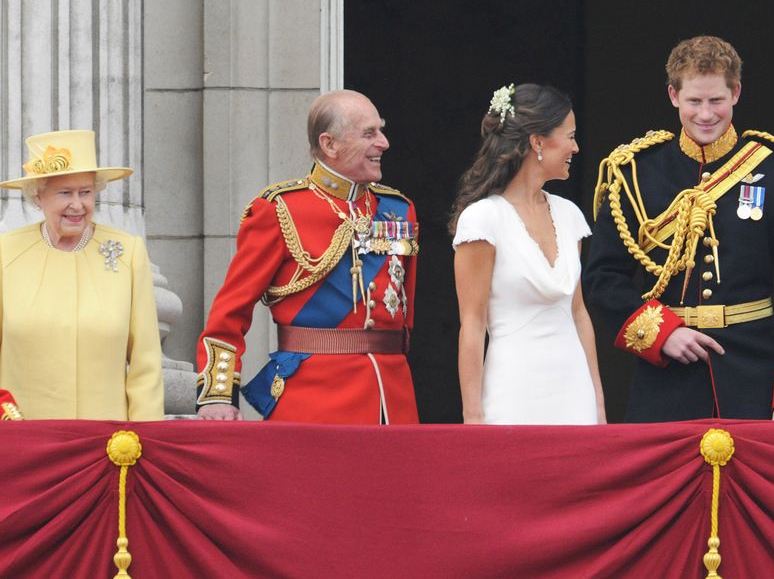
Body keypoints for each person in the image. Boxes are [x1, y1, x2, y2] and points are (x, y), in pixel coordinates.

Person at [584, 35, 774, 421]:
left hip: (753, 375)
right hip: (663, 381)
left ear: (737, 93)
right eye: (694, 101)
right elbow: (603, 278)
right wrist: (662, 334)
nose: (706, 114)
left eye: (717, 101)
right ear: (674, 96)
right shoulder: (635, 173)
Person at [196, 90, 419, 424]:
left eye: (381, 131)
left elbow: (406, 314)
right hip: (313, 402)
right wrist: (217, 395)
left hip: (392, 397)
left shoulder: (399, 210)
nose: (384, 143)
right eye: (369, 133)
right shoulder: (279, 209)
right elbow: (229, 313)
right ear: (329, 144)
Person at [451, 83, 605, 424]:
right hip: (513, 393)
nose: (576, 147)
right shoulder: (483, 220)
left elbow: (579, 314)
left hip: (574, 392)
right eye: (570, 136)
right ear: (537, 142)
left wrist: (598, 405)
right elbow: (472, 325)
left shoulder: (569, 216)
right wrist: (472, 417)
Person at [0, 130, 164, 420]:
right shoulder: (6, 252)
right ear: (38, 195)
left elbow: (145, 363)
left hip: (107, 443)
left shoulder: (128, 252)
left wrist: (144, 439)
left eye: (85, 192)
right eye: (65, 193)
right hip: (24, 438)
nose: (78, 205)